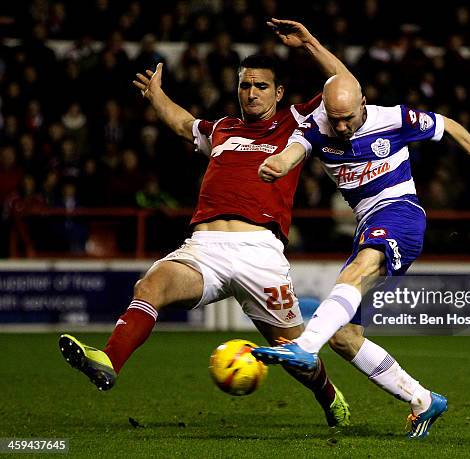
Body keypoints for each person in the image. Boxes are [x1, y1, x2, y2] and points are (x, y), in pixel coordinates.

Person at [58, 19, 352, 428]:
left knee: (293, 353)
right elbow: (182, 123)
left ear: (279, 92)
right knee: (150, 286)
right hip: (204, 250)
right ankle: (109, 359)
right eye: (245, 85)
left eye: (261, 86)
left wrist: (309, 43)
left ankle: (330, 396)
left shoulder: (296, 123)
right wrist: (157, 95)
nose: (251, 93)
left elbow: (345, 86)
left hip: (259, 255)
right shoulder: (222, 129)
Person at [253, 73, 470, 438]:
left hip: (401, 214)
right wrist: (279, 165)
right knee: (344, 336)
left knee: (357, 272)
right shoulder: (315, 127)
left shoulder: (393, 119)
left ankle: (304, 346)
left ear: (363, 103)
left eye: (349, 117)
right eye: (335, 118)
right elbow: (292, 152)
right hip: (367, 227)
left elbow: (451, 126)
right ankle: (423, 400)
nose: (342, 126)